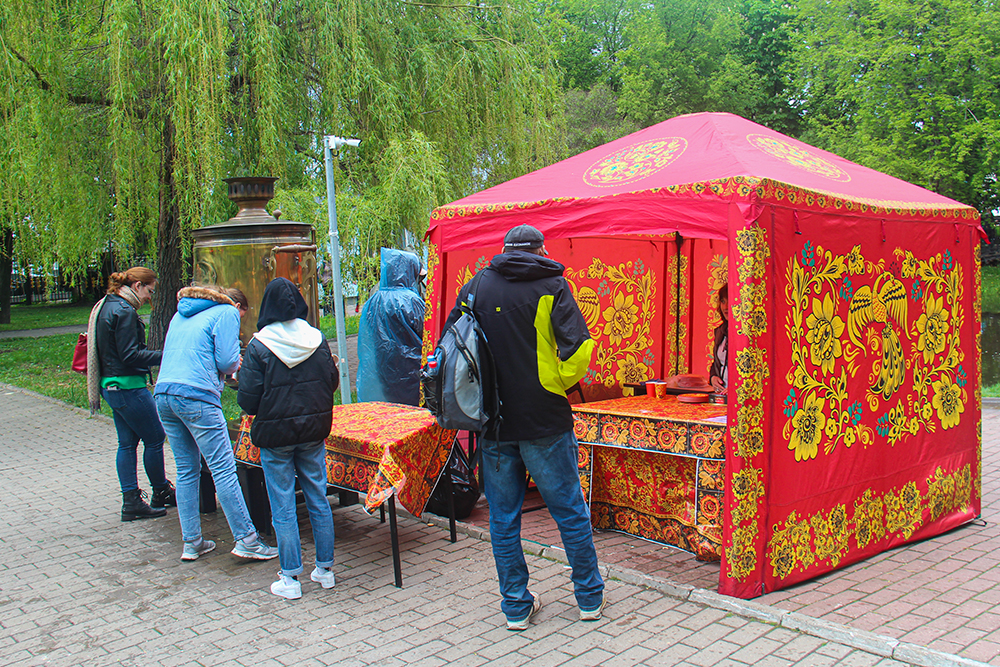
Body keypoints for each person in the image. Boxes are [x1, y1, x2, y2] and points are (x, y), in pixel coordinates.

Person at [443, 224, 605, 630]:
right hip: (545, 418)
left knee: (503, 517)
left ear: (503, 250)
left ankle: (515, 607)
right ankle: (588, 598)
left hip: (493, 423)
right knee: (569, 510)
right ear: (541, 249)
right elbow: (580, 348)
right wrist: (555, 384)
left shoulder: (477, 286)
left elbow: (451, 347)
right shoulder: (552, 284)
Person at [154, 285, 278, 562]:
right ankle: (247, 540)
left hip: (164, 394)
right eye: (242, 317)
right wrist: (238, 363)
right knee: (222, 468)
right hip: (196, 396)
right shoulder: (225, 312)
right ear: (236, 307)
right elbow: (225, 361)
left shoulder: (181, 313)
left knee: (187, 470)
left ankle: (192, 542)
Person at [237, 278, 340, 600]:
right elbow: (332, 382)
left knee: (282, 506)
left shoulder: (258, 346)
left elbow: (248, 401)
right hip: (313, 432)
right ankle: (325, 571)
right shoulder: (317, 339)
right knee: (318, 498)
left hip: (275, 436)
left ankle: (290, 578)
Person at [89, 266, 174, 522]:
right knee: (155, 437)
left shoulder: (107, 304)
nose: (150, 297)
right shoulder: (124, 311)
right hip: (128, 386)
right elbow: (130, 355)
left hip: (110, 385)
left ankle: (132, 501)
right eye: (150, 290)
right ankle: (160, 491)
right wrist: (168, 355)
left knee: (127, 443)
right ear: (137, 286)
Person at [356, 248, 426, 405]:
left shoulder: (373, 300)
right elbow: (427, 335)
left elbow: (366, 339)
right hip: (409, 374)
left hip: (380, 372)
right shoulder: (412, 301)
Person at [709, 283, 729, 394]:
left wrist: (738, 389)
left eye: (729, 301)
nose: (725, 307)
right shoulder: (720, 332)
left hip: (743, 399)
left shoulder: (746, 336)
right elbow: (717, 363)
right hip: (721, 396)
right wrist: (713, 377)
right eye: (723, 301)